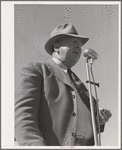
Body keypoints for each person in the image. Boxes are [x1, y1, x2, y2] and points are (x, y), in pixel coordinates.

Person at [15, 23, 112, 146]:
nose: (78, 47)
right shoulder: (37, 69)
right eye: (73, 42)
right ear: (56, 47)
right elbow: (23, 117)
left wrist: (99, 121)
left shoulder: (79, 85)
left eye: (80, 45)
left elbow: (79, 123)